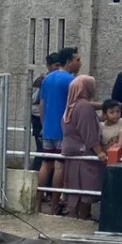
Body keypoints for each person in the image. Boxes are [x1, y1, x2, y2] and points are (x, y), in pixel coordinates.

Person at [61, 75, 107, 221]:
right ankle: (83, 216)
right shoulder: (84, 107)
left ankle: (75, 215)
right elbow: (89, 133)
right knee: (87, 186)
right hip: (84, 152)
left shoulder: (72, 105)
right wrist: (99, 152)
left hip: (71, 150)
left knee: (75, 185)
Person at [39, 48, 77, 214]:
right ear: (68, 62)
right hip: (64, 129)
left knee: (45, 165)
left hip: (48, 128)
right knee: (60, 167)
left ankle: (37, 204)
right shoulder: (72, 81)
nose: (79, 63)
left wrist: (44, 125)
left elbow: (41, 104)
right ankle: (54, 206)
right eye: (77, 60)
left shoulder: (47, 79)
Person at [30, 53, 60, 172]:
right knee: (41, 152)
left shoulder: (54, 80)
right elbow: (34, 102)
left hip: (50, 120)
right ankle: (35, 178)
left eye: (59, 65)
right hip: (39, 119)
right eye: (55, 65)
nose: (58, 68)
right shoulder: (42, 81)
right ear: (48, 66)